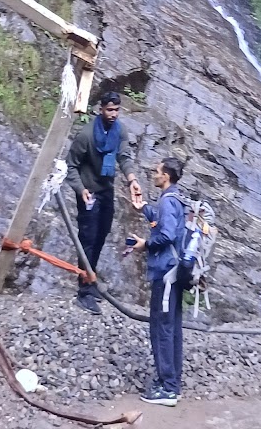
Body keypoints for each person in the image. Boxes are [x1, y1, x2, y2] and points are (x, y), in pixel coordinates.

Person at [67, 90, 140, 314]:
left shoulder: (120, 131)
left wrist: (132, 180)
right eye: (110, 110)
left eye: (117, 110)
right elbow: (70, 166)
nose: (114, 114)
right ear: (101, 110)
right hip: (89, 192)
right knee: (87, 239)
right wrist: (80, 190)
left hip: (106, 190)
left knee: (101, 235)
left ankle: (90, 277)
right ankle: (84, 290)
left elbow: (124, 156)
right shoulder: (86, 135)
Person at [130, 157, 187, 406]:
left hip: (166, 273)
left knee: (162, 328)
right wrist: (143, 207)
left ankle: (168, 388)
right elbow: (166, 224)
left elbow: (166, 234)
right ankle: (172, 380)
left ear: (166, 176)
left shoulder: (167, 201)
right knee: (172, 327)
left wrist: (145, 245)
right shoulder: (174, 199)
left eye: (157, 171)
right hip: (175, 274)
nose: (154, 174)